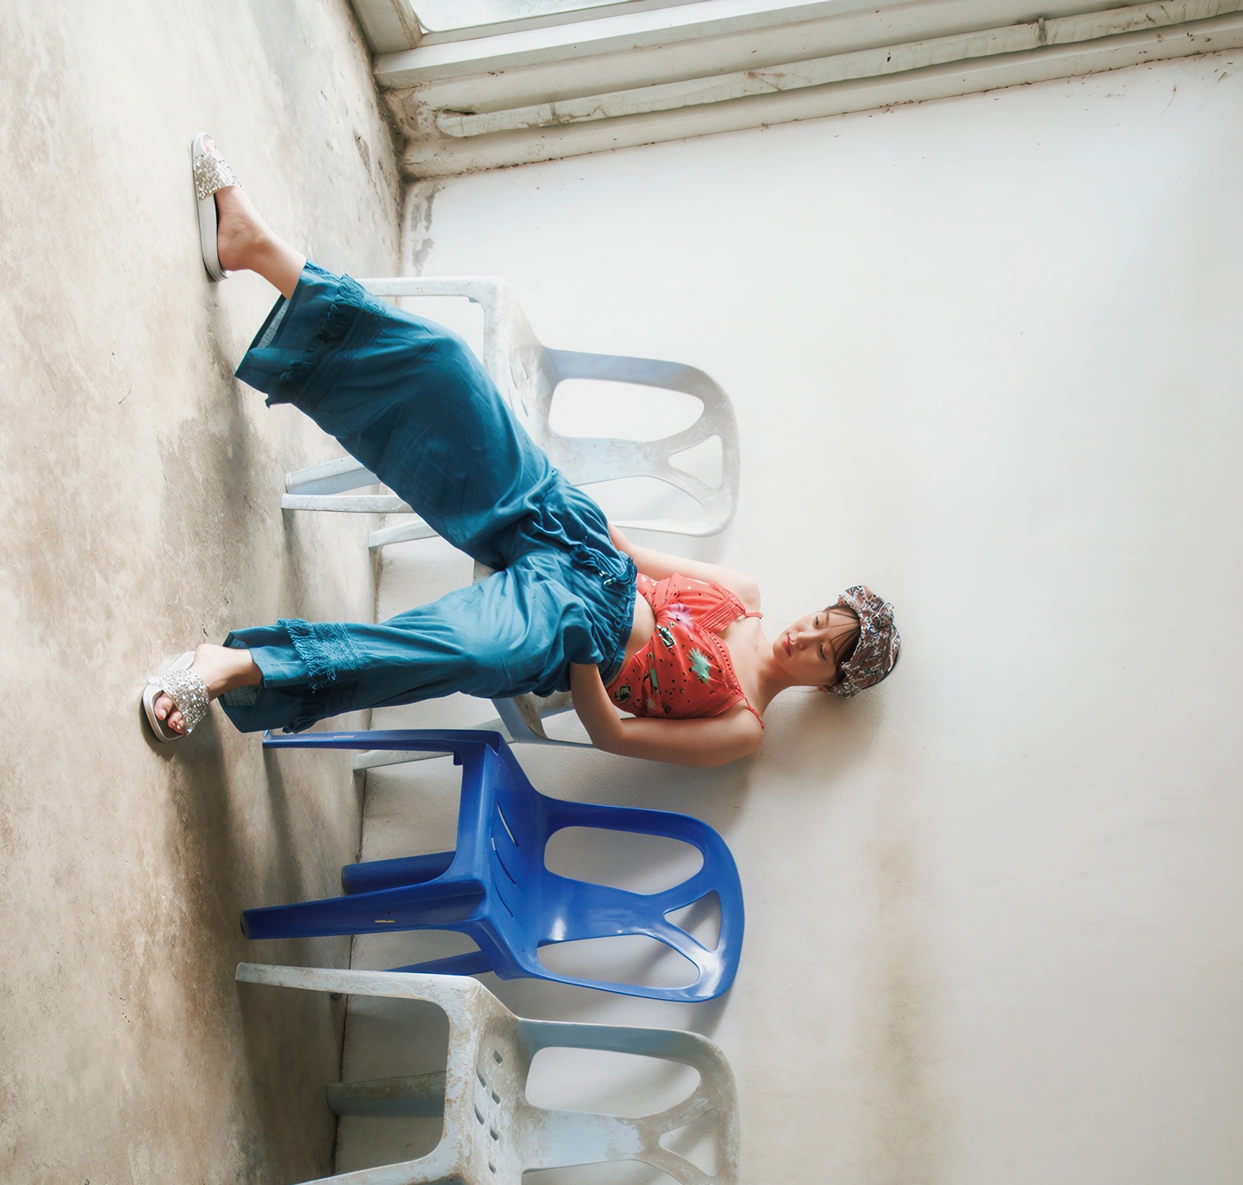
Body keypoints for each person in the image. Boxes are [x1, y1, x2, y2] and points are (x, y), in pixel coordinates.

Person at [144, 138, 900, 770]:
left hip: (574, 634)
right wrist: (579, 527)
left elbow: (614, 735)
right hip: (575, 538)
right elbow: (630, 551)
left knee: (454, 653)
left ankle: (233, 668)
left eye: (823, 650)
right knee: (444, 365)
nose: (805, 635)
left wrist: (580, 655)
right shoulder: (744, 592)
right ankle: (259, 249)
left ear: (827, 682)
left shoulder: (742, 726)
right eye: (820, 620)